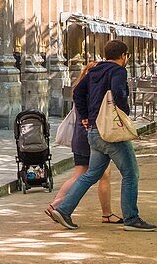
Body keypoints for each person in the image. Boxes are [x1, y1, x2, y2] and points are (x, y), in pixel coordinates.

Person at [46, 40, 155, 231]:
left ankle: (64, 209)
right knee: (131, 173)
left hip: (93, 131)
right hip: (109, 132)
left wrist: (86, 116)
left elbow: (78, 91)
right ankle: (131, 218)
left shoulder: (94, 70)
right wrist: (124, 111)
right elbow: (119, 92)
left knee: (91, 174)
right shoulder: (118, 71)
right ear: (123, 56)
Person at [50, 62, 117, 223]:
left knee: (87, 174)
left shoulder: (80, 88)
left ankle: (55, 206)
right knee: (95, 175)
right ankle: (58, 206)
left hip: (79, 136)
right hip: (88, 137)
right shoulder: (92, 91)